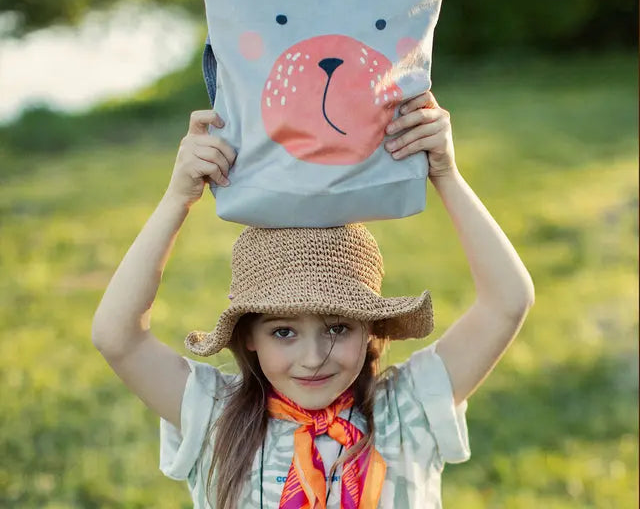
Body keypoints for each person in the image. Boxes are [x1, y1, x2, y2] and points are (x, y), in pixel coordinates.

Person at [92, 90, 534, 509]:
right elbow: (117, 337)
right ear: (249, 336)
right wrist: (177, 198)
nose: (313, 357)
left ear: (370, 329)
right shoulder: (213, 415)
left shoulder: (407, 408)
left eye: (338, 328)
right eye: (283, 331)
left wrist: (446, 175)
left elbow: (508, 301)